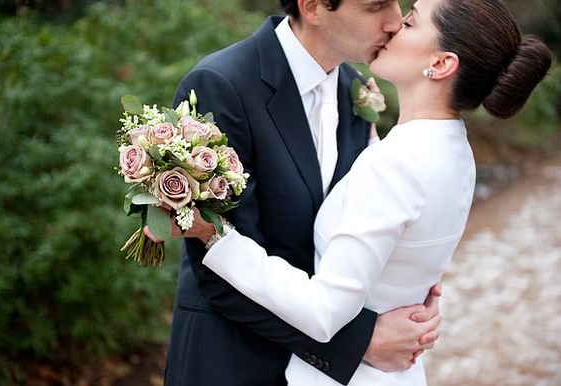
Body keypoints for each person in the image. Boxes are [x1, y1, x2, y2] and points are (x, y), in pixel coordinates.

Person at [166, 0, 552, 384]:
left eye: (405, 12)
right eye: (376, 6)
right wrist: (361, 341)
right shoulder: (222, 83)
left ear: (440, 64)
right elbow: (215, 273)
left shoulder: (356, 92)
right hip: (234, 362)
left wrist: (408, 295)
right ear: (314, 7)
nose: (394, 21)